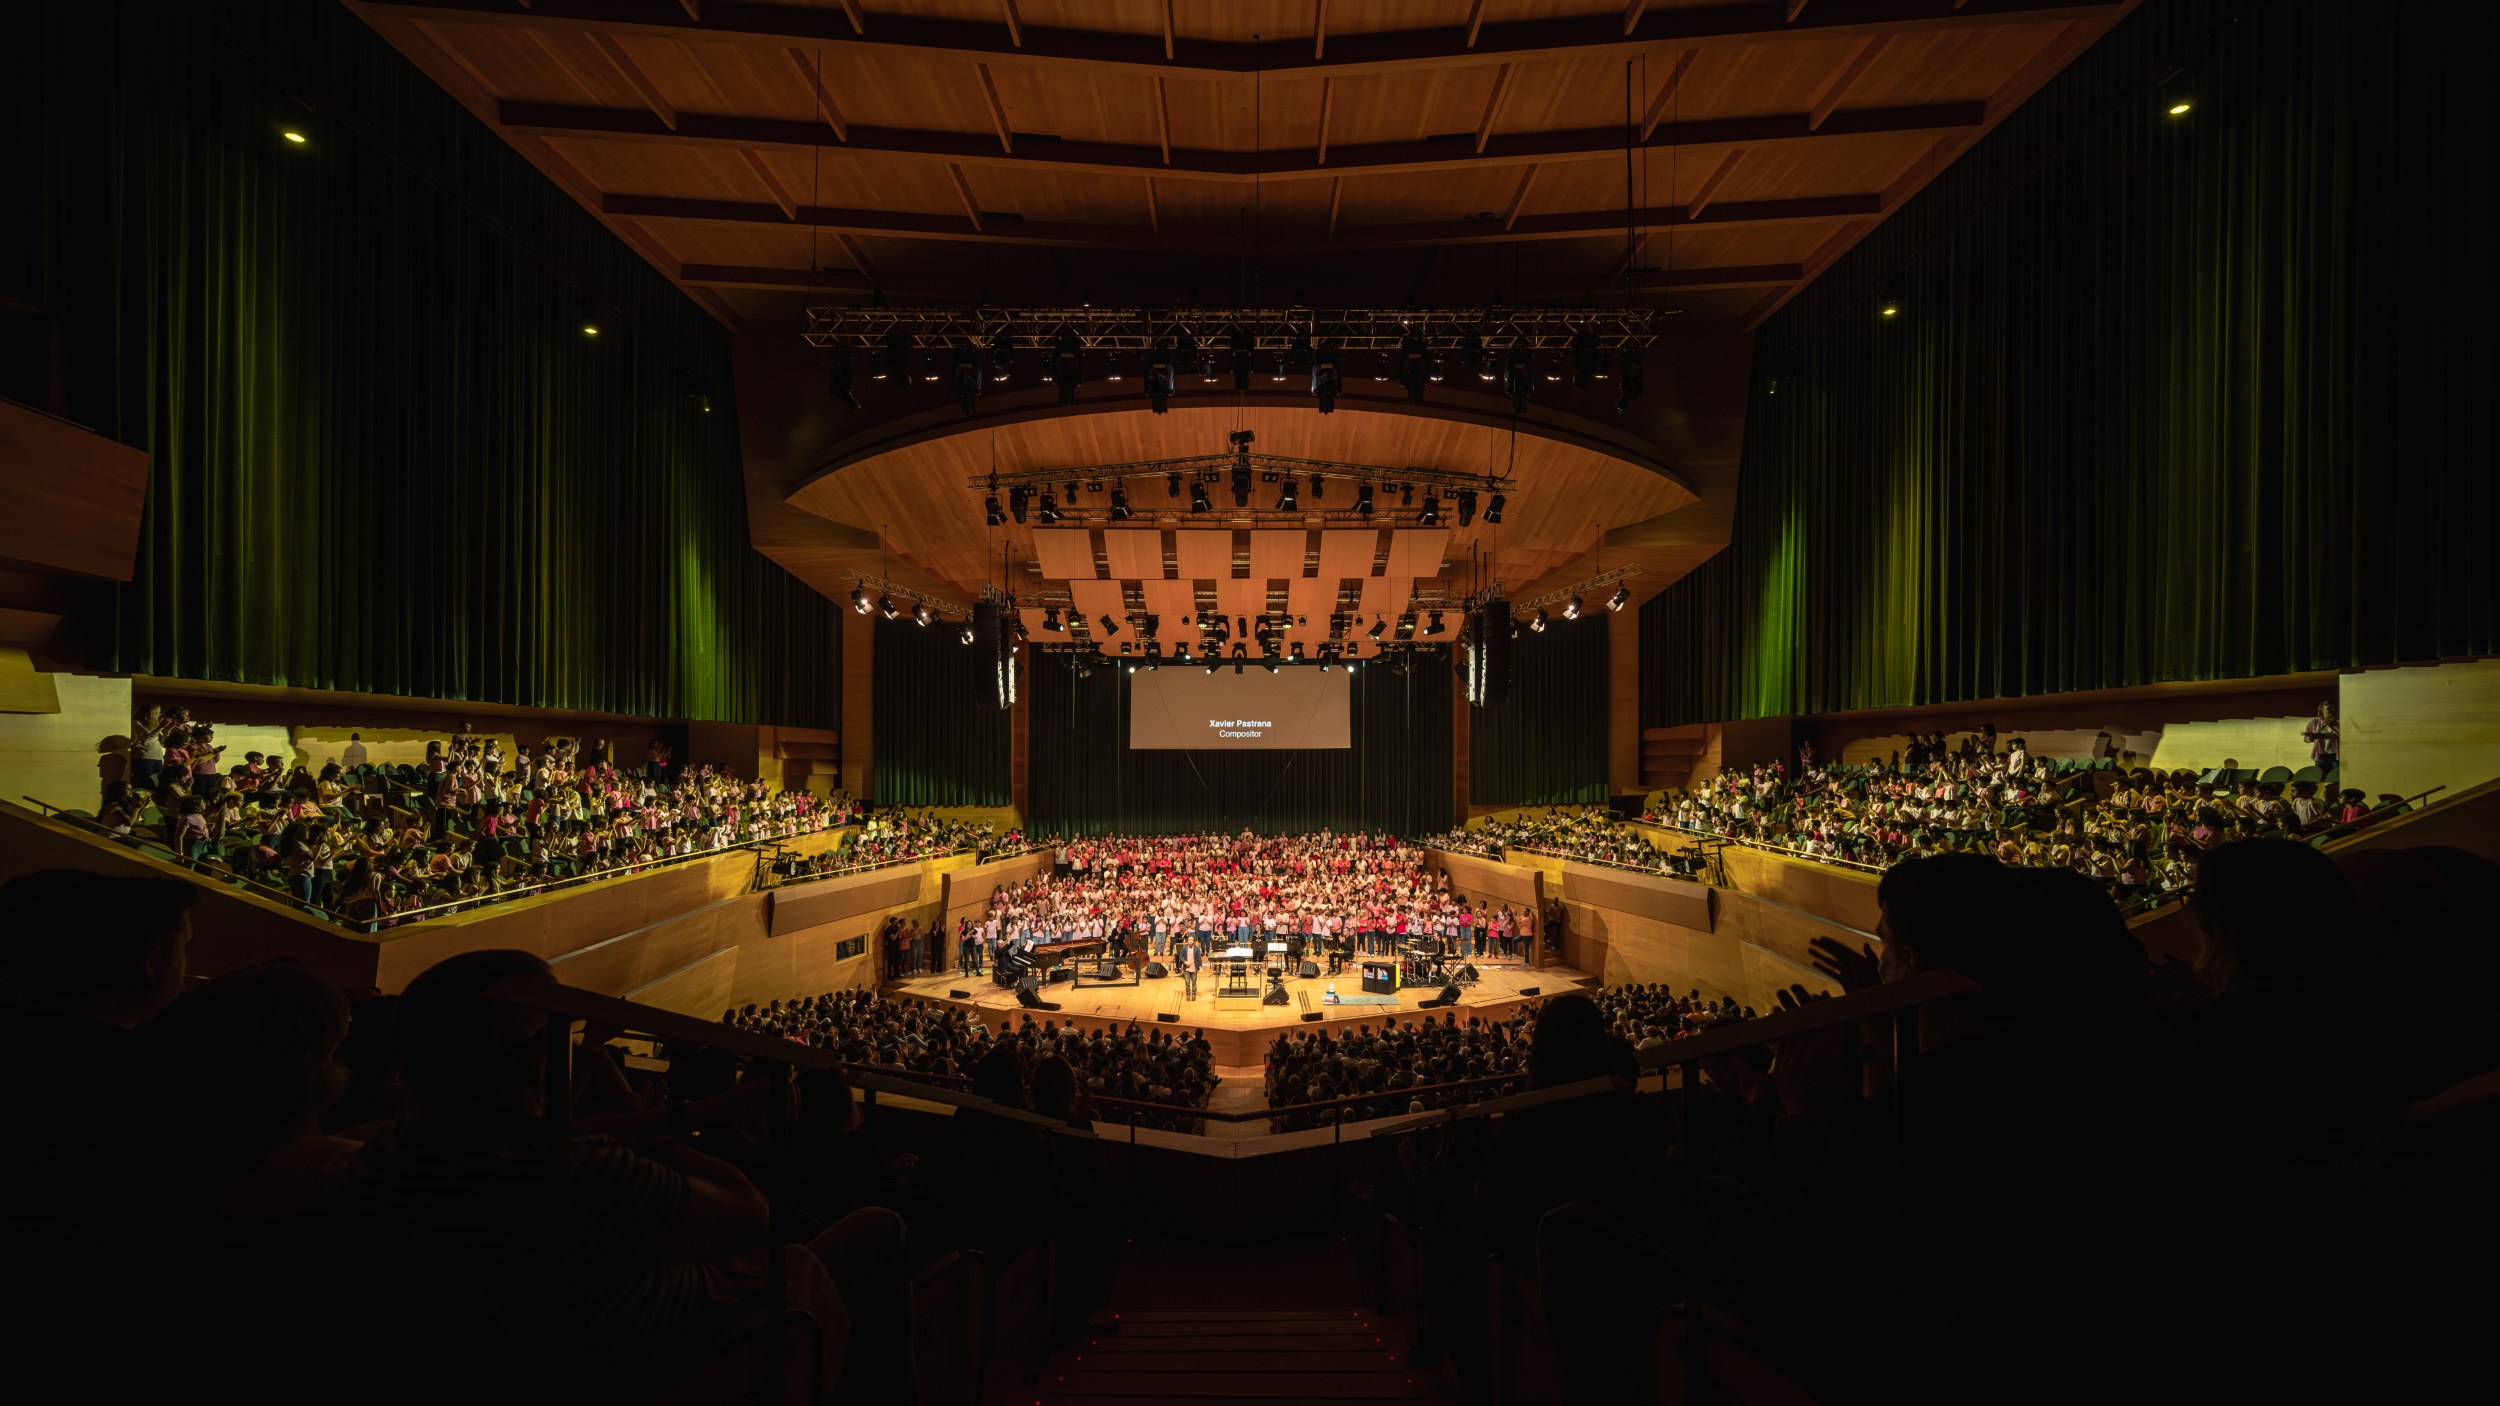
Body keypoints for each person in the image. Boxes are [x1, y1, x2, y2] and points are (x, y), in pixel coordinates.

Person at [1177, 931, 1203, 999]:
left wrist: (1200, 967)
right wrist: (1185, 962)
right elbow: (1180, 956)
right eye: (1189, 940)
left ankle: (1194, 995)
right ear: (1187, 940)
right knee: (1187, 982)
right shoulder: (1184, 947)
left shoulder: (1196, 948)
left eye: (1192, 940)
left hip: (1194, 968)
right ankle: (1188, 995)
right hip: (1186, 968)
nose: (1190, 941)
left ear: (1194, 941)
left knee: (1194, 982)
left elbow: (1199, 958)